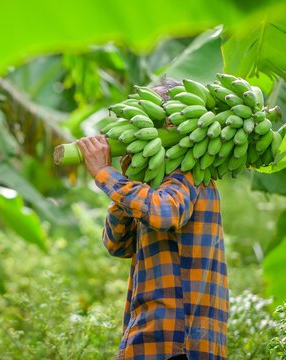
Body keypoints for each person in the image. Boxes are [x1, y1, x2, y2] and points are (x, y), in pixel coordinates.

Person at [76, 84, 229, 360]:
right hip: (154, 338)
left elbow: (165, 213)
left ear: (170, 123)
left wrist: (104, 174)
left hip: (177, 342)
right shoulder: (154, 185)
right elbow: (116, 244)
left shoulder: (189, 171)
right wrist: (125, 181)